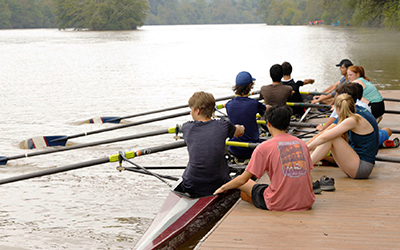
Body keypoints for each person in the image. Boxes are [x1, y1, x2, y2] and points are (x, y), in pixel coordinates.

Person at [214, 105, 316, 211]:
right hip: (306, 202)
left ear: (269, 123)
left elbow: (243, 179)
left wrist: (223, 187)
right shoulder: (302, 144)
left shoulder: (264, 147)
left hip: (278, 203)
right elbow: (309, 174)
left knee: (242, 183)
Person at [179, 91, 245, 197]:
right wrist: (241, 128)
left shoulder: (186, 128)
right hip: (218, 184)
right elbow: (238, 132)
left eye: (191, 110)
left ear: (198, 111)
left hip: (191, 184)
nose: (190, 113)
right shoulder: (223, 125)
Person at [308, 93, 379, 179]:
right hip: (357, 164)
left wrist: (305, 148)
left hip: (362, 168)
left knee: (332, 138)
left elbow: (324, 136)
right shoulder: (357, 114)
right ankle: (305, 164)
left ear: (338, 108)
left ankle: (304, 168)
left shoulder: (353, 120)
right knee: (330, 138)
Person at [226, 71, 266, 159]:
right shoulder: (254, 103)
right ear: (250, 86)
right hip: (251, 148)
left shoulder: (228, 104)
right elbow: (265, 113)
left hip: (234, 147)